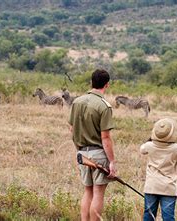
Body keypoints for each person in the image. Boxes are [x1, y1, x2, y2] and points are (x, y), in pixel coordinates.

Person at [69, 69, 116, 221]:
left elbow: (71, 127)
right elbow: (106, 137)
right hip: (98, 155)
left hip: (82, 154)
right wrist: (112, 162)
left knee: (87, 191)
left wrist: (79, 147)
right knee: (98, 192)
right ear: (107, 85)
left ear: (91, 82)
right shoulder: (104, 106)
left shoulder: (77, 101)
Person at [140, 118, 177, 221]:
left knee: (149, 215)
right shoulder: (176, 148)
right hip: (168, 187)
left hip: (152, 185)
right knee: (168, 217)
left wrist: (152, 139)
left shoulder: (149, 146)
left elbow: (142, 149)